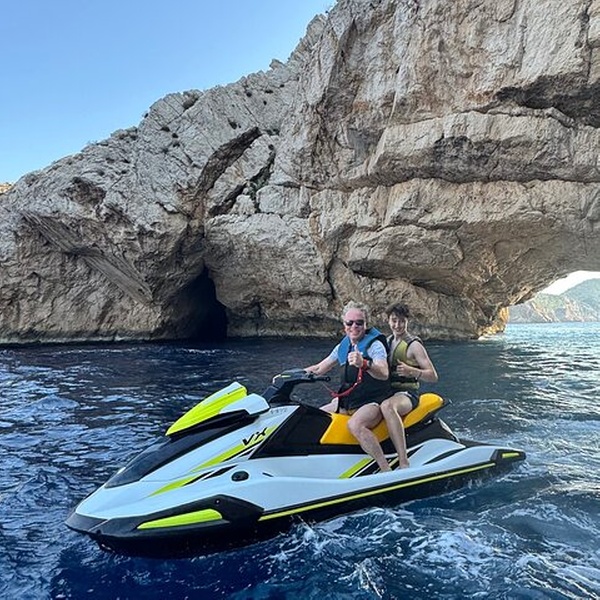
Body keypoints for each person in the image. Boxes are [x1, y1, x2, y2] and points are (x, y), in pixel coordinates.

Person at [304, 301, 394, 472]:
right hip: (348, 401)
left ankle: (385, 468)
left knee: (355, 425)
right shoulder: (342, 346)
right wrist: (291, 374)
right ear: (344, 325)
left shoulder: (375, 345)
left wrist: (364, 364)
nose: (354, 327)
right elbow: (319, 368)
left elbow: (383, 372)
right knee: (314, 418)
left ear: (366, 324)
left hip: (372, 401)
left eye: (359, 323)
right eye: (349, 323)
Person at [380, 303, 439, 468]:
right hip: (388, 392)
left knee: (388, 407)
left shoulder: (414, 345)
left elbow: (433, 376)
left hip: (407, 394)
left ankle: (403, 460)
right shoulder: (386, 342)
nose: (397, 325)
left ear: (407, 321)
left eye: (402, 321)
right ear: (388, 321)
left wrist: (412, 371)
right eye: (394, 320)